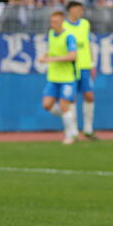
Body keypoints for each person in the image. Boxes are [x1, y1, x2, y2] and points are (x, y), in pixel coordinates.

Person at [39, 11, 78, 144]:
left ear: (62, 21)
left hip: (67, 78)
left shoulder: (69, 36)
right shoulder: (51, 34)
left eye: (55, 22)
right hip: (53, 77)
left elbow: (73, 56)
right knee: (47, 105)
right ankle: (70, 118)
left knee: (64, 104)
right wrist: (45, 56)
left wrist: (51, 59)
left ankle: (70, 134)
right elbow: (53, 50)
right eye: (52, 22)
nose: (53, 24)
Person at [63, 1, 97, 139]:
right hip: (70, 67)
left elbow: (88, 44)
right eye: (78, 10)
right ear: (71, 10)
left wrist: (92, 63)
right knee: (71, 99)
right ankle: (74, 130)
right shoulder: (64, 26)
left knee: (89, 95)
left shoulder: (85, 24)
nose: (80, 13)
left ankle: (88, 128)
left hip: (85, 66)